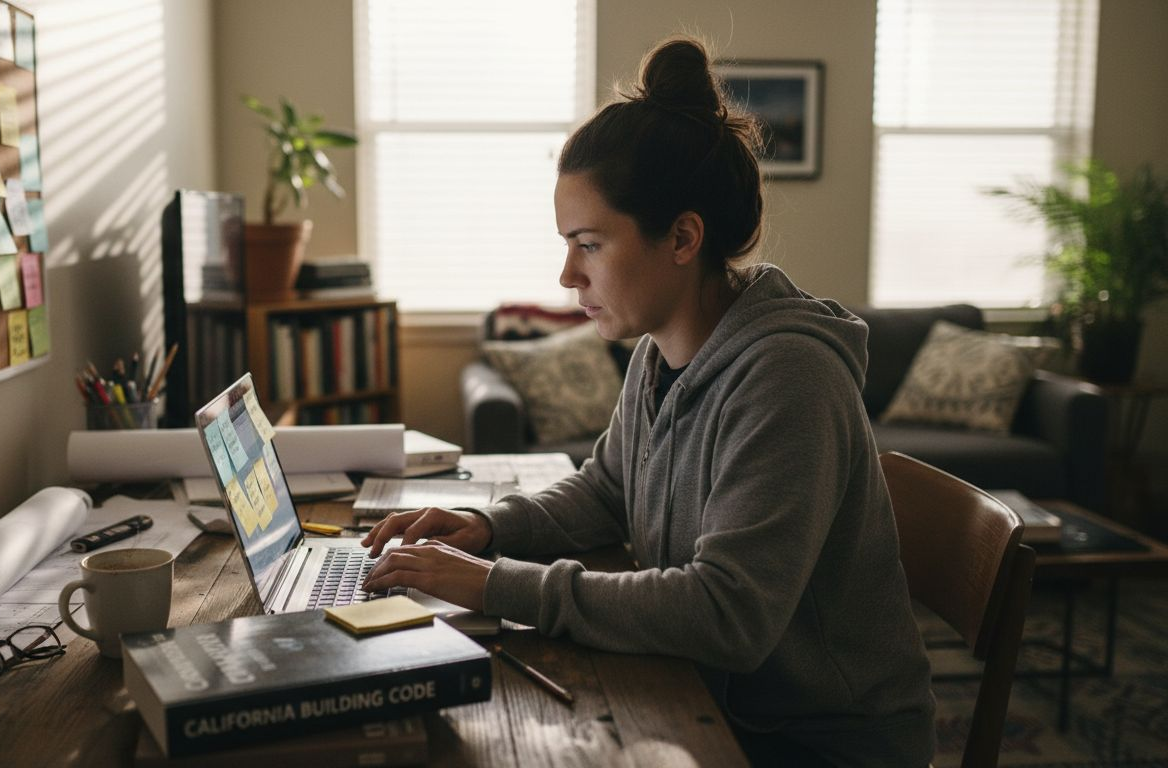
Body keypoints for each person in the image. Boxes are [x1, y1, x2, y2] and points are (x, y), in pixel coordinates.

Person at [361, 36, 935, 767]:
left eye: (589, 244)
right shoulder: (657, 354)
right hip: (719, 696)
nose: (567, 274)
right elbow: (606, 492)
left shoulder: (789, 379)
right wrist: (484, 529)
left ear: (683, 237)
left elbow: (729, 613)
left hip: (818, 740)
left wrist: (497, 586)